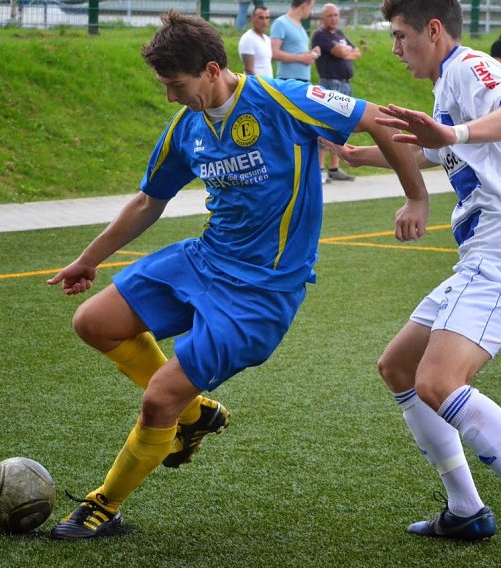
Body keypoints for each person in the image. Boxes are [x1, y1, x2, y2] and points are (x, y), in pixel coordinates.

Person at [46, 10, 429, 540]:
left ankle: (103, 506)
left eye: (175, 85)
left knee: (159, 400)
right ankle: (198, 413)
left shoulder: (283, 99)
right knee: (93, 322)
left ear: (209, 69)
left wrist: (415, 196)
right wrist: (89, 258)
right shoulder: (187, 126)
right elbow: (148, 200)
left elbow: (377, 119)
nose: (169, 98)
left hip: (261, 293)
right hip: (204, 259)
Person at [322, 0, 501, 566]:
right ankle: (467, 510)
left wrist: (452, 129)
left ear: (434, 29)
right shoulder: (447, 84)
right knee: (399, 366)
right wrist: (357, 153)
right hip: (486, 254)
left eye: (400, 36)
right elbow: (432, 147)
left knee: (439, 382)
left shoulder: (470, 67)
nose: (394, 48)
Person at [311, 3, 361, 183]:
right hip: (330, 85)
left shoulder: (339, 34)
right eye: (330, 15)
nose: (334, 18)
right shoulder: (320, 35)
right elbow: (339, 52)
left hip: (346, 85)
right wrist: (345, 52)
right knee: (325, 126)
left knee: (342, 126)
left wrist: (346, 52)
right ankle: (320, 170)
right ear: (323, 18)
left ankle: (334, 168)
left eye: (336, 15)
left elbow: (357, 52)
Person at [271, 0, 320, 82]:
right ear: (304, 6)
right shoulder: (281, 23)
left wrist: (311, 54)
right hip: (288, 80)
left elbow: (297, 50)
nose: (311, 11)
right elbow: (274, 53)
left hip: (304, 80)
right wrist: (301, 58)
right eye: (311, 7)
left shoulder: (300, 26)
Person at [238, 5, 274, 78]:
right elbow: (249, 70)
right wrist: (260, 86)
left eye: (267, 18)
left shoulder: (267, 39)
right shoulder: (248, 38)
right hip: (256, 86)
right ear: (252, 18)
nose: (264, 22)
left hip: (268, 85)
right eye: (261, 18)